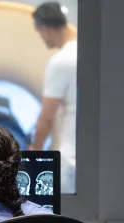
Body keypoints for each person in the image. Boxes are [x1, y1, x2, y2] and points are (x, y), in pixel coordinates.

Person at [29, 2, 77, 194]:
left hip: (71, 156)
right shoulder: (85, 54)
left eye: (38, 31)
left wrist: (35, 151)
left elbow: (47, 116)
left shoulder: (61, 62)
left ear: (46, 29)